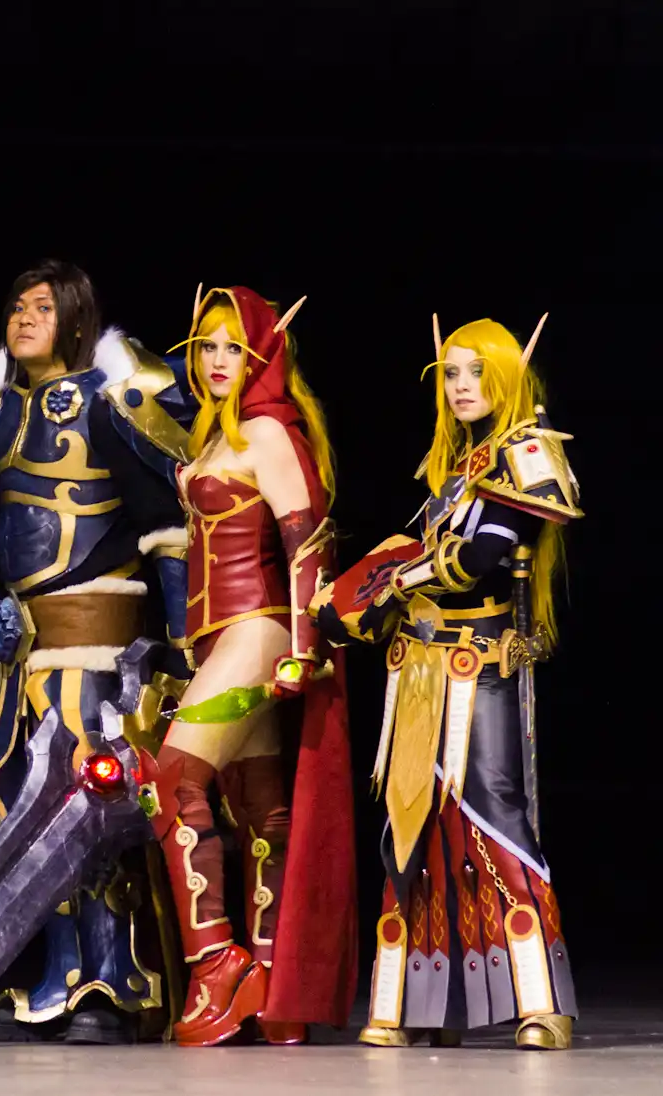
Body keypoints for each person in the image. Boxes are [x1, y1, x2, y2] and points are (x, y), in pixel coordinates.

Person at [0, 261, 192, 1043]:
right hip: (20, 652)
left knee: (90, 804)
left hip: (95, 644)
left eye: (42, 307)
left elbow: (166, 528)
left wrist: (181, 649)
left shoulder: (114, 397)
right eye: (16, 306)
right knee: (22, 808)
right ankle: (59, 975)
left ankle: (109, 980)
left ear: (75, 319)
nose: (23, 318)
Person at [316, 316, 579, 1051]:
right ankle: (421, 1007)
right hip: (420, 665)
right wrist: (369, 589)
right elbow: (436, 554)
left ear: (507, 374)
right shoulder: (457, 470)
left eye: (476, 372)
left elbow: (483, 557)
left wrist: (398, 578)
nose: (462, 386)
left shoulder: (527, 451)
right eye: (452, 374)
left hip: (481, 662)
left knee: (493, 810)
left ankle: (540, 1004)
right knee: (414, 824)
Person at [149, 286, 356, 1046]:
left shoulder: (268, 432)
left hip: (258, 631)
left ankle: (218, 965)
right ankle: (274, 983)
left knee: (172, 781)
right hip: (219, 638)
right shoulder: (215, 436)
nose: (216, 360)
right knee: (261, 806)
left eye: (233, 348)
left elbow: (307, 542)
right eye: (206, 346)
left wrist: (303, 649)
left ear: (262, 356)